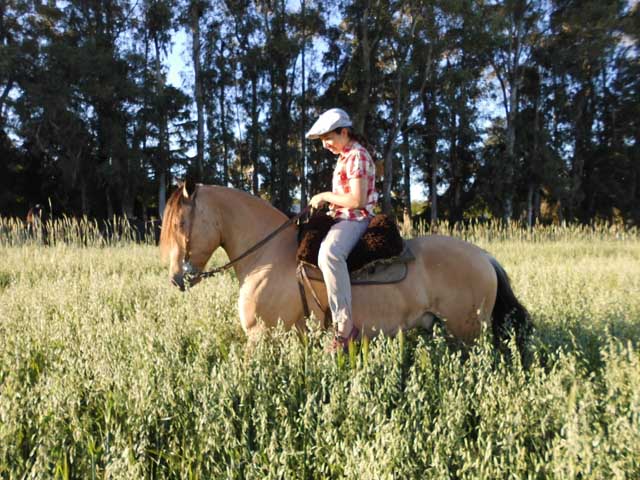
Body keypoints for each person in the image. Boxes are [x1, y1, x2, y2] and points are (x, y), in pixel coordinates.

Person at [306, 108, 378, 353]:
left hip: (357, 218)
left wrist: (325, 196)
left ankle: (345, 329)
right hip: (342, 217)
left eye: (328, 138)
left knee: (330, 254)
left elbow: (357, 200)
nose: (325, 144)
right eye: (322, 140)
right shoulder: (344, 157)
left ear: (344, 132)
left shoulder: (357, 155)